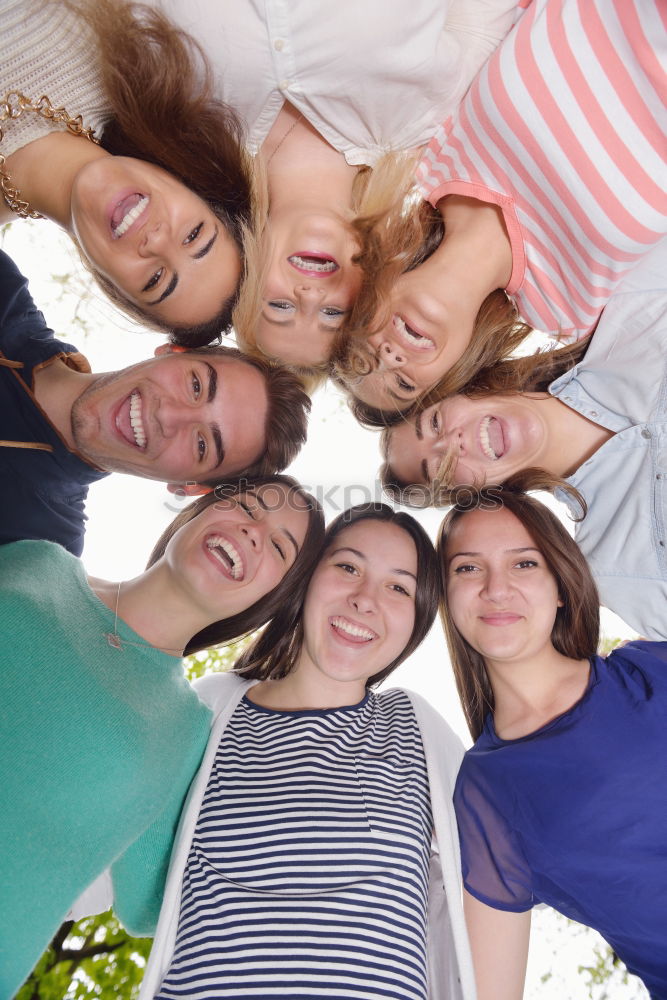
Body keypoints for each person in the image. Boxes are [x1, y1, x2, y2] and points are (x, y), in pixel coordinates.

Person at [80, 504, 475, 999]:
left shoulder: (417, 730)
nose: (364, 599)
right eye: (348, 567)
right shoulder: (208, 709)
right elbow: (84, 844)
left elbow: (510, 871)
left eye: (398, 587)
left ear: (417, 620)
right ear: (306, 580)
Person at [0, 476, 325, 1000]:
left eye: (280, 547)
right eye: (246, 505)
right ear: (196, 511)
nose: (253, 531)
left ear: (274, 598)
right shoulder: (37, 562)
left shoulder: (186, 731)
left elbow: (160, 904)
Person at [147, 0, 523, 380]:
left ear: (247, 276)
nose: (309, 298)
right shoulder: (429, 123)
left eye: (279, 307)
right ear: (366, 293)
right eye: (332, 314)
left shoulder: (190, 122)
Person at [341, 0, 667, 416]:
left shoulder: (425, 155)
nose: (389, 358)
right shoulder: (572, 311)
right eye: (404, 384)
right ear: (454, 374)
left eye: (362, 356)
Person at [437, 491, 667, 1000]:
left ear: (561, 586)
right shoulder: (484, 791)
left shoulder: (654, 670)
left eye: (523, 562)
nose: (497, 589)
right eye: (468, 568)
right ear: (446, 597)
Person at [381, 237, 667, 639]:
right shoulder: (619, 569)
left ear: (466, 387)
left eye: (434, 424)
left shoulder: (636, 293)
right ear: (479, 495)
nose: (451, 444)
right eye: (440, 469)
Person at [0, 248, 310, 556]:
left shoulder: (39, 553)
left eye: (202, 444)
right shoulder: (4, 290)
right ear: (174, 351)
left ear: (188, 487)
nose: (169, 415)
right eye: (196, 385)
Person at [1, 0, 252, 344]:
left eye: (155, 280)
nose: (157, 241)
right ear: (190, 183)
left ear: (113, 287)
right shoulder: (113, 50)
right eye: (194, 234)